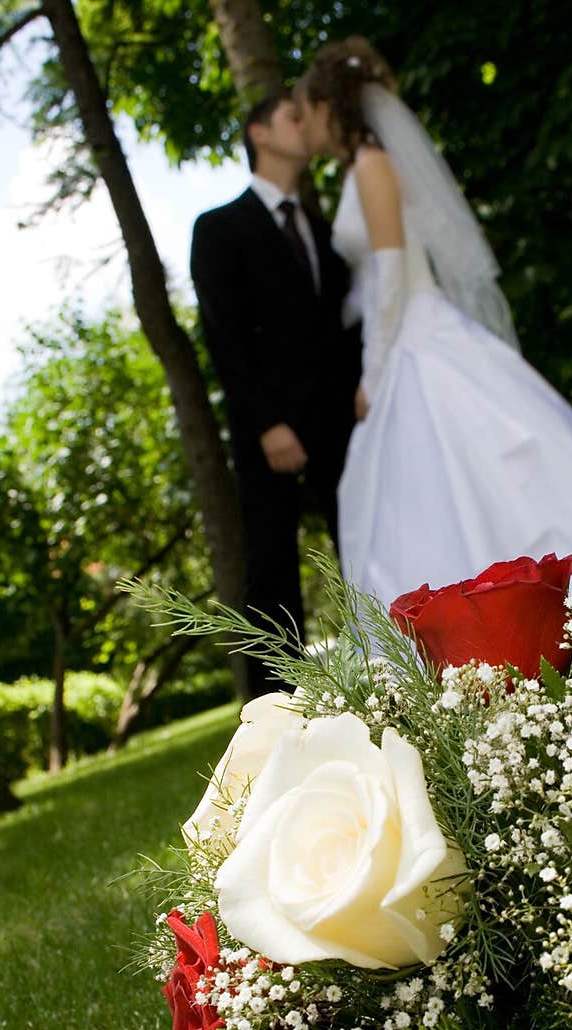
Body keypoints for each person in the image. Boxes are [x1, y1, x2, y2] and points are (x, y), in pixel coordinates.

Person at [294, 39, 572, 610]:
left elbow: (393, 274)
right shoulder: (360, 171)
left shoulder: (373, 165)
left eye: (307, 111)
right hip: (408, 338)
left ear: (330, 106)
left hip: (414, 342)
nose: (306, 128)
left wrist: (372, 378)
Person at [190, 93, 359, 696]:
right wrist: (266, 424)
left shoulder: (320, 228)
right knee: (270, 569)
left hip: (340, 421)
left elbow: (341, 325)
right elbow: (225, 337)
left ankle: (391, 679)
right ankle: (274, 708)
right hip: (270, 428)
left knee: (361, 543)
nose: (304, 123)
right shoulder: (218, 228)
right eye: (292, 115)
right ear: (259, 133)